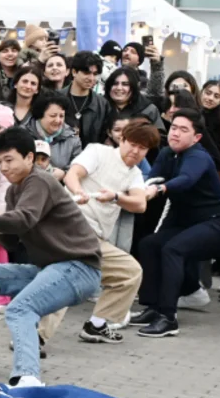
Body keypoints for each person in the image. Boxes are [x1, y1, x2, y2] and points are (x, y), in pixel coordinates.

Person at [0, 126, 102, 387]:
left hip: (79, 269)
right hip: (51, 268)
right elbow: (15, 235)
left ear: (29, 158)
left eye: (9, 160)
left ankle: (28, 376)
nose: (4, 167)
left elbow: (24, 217)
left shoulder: (39, 180)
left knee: (20, 308)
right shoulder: (13, 190)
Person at [38, 119, 159, 344]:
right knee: (67, 278)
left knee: (129, 272)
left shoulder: (134, 175)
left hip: (95, 238)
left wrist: (115, 196)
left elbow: (139, 204)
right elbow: (73, 174)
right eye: (132, 143)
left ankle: (97, 324)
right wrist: (78, 191)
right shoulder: (98, 152)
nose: (135, 151)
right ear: (121, 139)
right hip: (70, 226)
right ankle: (35, 335)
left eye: (142, 148)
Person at [133, 108, 220, 337]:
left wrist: (160, 188)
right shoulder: (166, 154)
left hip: (219, 226)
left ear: (197, 137)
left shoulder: (199, 156)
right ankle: (152, 307)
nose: (175, 134)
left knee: (173, 249)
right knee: (149, 244)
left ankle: (168, 318)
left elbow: (186, 180)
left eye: (183, 130)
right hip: (188, 224)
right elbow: (151, 179)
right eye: (173, 127)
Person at [32, 91, 82, 181]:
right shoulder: (25, 134)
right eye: (53, 116)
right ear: (40, 115)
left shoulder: (72, 139)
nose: (58, 120)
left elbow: (79, 169)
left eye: (61, 116)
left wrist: (64, 174)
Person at [63, 52, 110, 146]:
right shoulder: (56, 98)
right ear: (74, 72)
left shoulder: (102, 104)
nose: (91, 78)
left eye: (95, 74)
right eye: (87, 73)